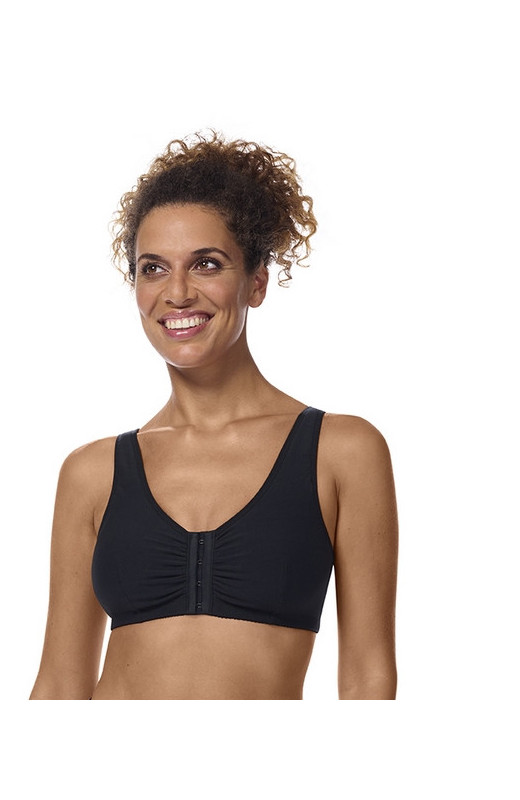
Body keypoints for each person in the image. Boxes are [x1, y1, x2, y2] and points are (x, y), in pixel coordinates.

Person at [29, 131, 398, 700]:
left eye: (206, 264)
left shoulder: (341, 451)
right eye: (153, 269)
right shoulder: (92, 472)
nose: (177, 293)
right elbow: (58, 683)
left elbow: (369, 678)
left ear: (256, 282)